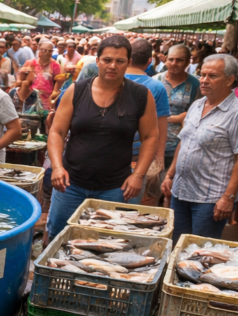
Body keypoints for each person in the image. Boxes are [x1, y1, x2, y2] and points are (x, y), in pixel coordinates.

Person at [46, 35, 161, 239]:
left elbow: (151, 136)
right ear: (97, 60)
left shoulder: (141, 95)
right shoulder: (77, 90)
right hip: (70, 183)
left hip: (114, 187)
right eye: (107, 60)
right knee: (59, 235)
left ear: (128, 63)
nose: (113, 66)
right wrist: (56, 166)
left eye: (120, 61)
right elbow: (57, 131)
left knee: (105, 241)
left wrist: (138, 175)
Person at [161, 54, 238, 243]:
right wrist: (170, 175)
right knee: (178, 243)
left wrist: (228, 197)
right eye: (202, 75)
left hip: (210, 198)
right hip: (181, 191)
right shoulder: (197, 105)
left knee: (200, 250)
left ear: (229, 80)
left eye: (212, 76)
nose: (204, 80)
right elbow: (184, 141)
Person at [124, 38, 170, 203]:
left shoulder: (112, 79)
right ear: (149, 61)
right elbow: (161, 125)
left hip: (109, 152)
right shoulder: (157, 86)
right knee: (131, 205)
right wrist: (159, 158)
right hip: (140, 157)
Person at [156, 45, 200, 193]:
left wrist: (164, 118)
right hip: (153, 146)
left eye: (180, 60)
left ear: (188, 62)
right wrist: (178, 118)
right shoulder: (155, 82)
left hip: (181, 148)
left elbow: (199, 114)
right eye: (171, 59)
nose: (174, 63)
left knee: (171, 193)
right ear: (165, 59)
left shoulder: (197, 84)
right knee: (150, 194)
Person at [26, 41, 64, 111]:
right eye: (45, 50)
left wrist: (52, 99)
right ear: (39, 51)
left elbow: (58, 86)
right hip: (30, 98)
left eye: (50, 51)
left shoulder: (55, 65)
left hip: (46, 101)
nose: (47, 53)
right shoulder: (31, 63)